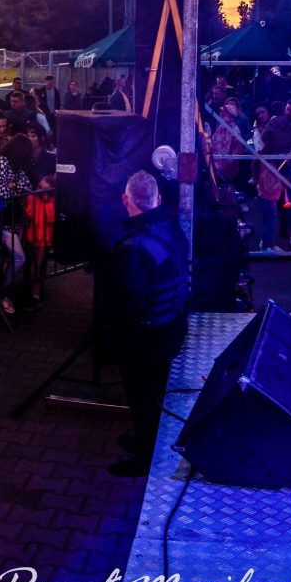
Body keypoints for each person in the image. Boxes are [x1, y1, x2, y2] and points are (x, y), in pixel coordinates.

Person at [108, 172, 191, 478]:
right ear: (157, 199)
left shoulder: (134, 247)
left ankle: (146, 457)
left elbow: (129, 302)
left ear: (125, 200)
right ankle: (145, 441)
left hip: (148, 335)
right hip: (172, 324)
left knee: (143, 396)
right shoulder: (170, 228)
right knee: (153, 393)